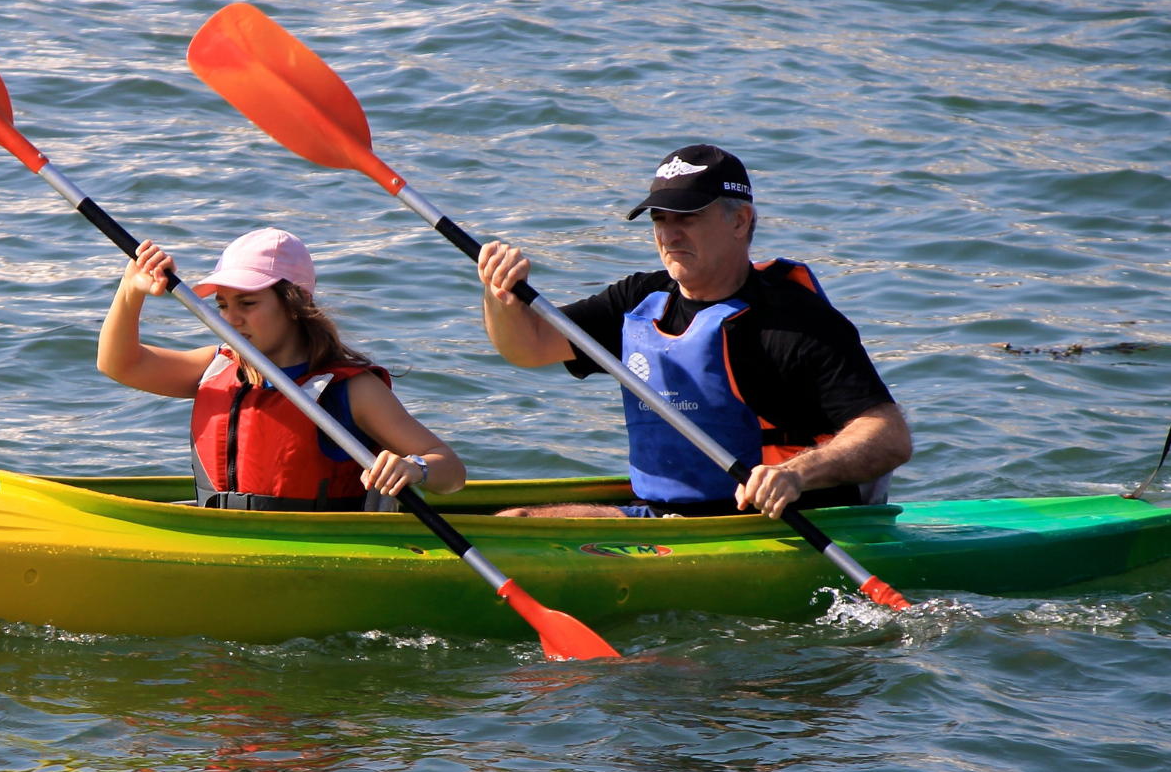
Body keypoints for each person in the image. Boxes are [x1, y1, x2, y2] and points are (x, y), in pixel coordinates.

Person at [476, 144, 911, 519]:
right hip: (668, 515)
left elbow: (889, 436)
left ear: (740, 220)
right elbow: (528, 346)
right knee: (516, 518)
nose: (669, 233)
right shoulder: (639, 299)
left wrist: (797, 473)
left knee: (517, 519)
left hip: (774, 520)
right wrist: (500, 296)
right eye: (659, 220)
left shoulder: (795, 322)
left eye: (687, 216)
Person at [98, 227, 465, 511]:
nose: (232, 318)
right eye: (223, 305)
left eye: (248, 302)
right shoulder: (214, 367)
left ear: (295, 303)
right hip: (222, 535)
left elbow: (451, 471)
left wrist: (415, 467)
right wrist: (131, 290)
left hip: (313, 552)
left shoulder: (351, 390)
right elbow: (119, 364)